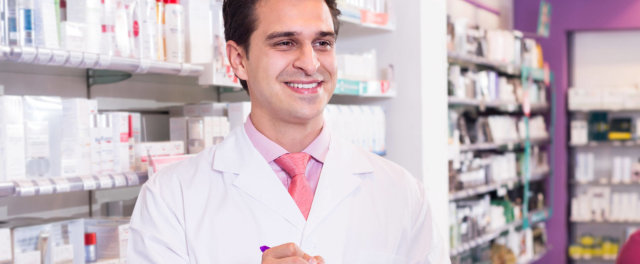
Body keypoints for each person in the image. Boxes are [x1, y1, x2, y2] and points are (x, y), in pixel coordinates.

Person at [127, 0, 448, 263]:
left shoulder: (402, 192)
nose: (310, 63)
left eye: (322, 43)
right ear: (238, 60)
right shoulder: (171, 198)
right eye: (285, 42)